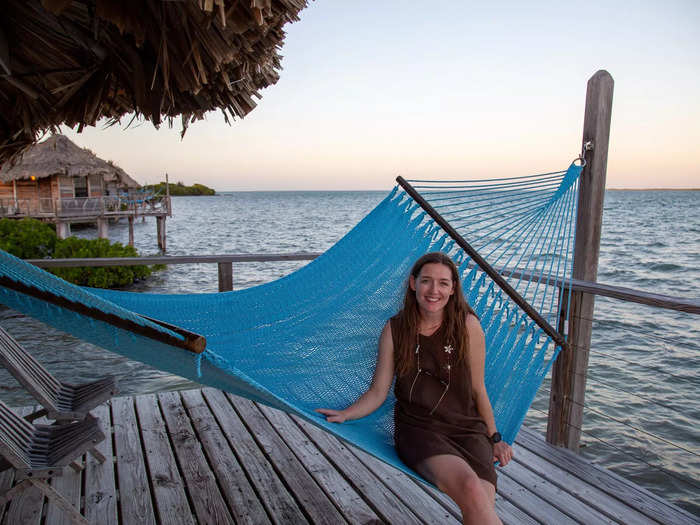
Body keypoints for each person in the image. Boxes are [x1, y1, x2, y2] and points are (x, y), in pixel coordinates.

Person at [316, 252, 513, 525]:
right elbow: (378, 392)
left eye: (443, 283)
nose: (434, 290)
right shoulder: (395, 329)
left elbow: (478, 389)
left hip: (468, 429)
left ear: (453, 288)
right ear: (413, 284)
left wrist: (494, 437)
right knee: (471, 489)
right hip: (420, 429)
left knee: (480, 503)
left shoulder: (468, 326)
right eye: (426, 281)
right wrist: (347, 414)